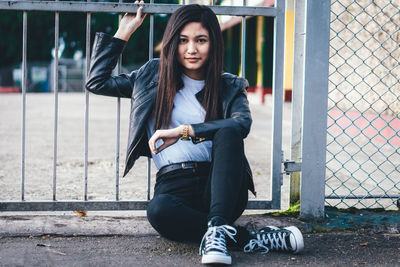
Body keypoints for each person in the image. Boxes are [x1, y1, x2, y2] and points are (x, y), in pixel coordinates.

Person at [86, 2, 304, 265]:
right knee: (158, 211)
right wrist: (124, 33)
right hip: (174, 184)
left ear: (213, 43)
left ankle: (219, 225)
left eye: (200, 40)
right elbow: (97, 82)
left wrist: (184, 132)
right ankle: (245, 237)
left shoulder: (230, 85)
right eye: (183, 40)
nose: (191, 49)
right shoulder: (150, 76)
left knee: (229, 130)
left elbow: (241, 126)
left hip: (222, 185)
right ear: (171, 43)